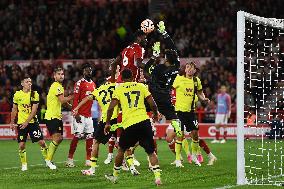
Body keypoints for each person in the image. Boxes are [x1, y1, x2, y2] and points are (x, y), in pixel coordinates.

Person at [104, 69, 162, 186]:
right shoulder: (141, 86)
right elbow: (152, 103)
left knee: (121, 149)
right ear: (132, 76)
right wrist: (155, 113)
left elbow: (110, 108)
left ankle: (114, 176)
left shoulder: (119, 89)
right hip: (144, 121)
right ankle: (157, 178)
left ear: (121, 77)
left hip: (130, 124)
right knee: (151, 152)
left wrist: (108, 123)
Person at [143, 21, 184, 167]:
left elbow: (146, 69)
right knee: (172, 116)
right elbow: (173, 49)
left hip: (154, 96)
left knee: (146, 116)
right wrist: (165, 33)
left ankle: (147, 129)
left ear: (166, 59)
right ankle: (176, 125)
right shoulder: (176, 66)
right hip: (166, 96)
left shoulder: (159, 69)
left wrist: (154, 56)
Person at [104, 30, 147, 165]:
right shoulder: (138, 48)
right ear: (139, 38)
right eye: (145, 37)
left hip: (119, 85)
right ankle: (126, 155)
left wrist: (112, 80)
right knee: (130, 118)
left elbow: (113, 64)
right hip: (129, 85)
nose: (146, 40)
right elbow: (139, 63)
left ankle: (123, 152)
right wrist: (152, 67)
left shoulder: (125, 49)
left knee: (121, 115)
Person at [173, 62, 217, 166]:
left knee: (195, 134)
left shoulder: (196, 81)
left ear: (194, 70)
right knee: (180, 135)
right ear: (185, 69)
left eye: (191, 68)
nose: (189, 69)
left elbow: (199, 92)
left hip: (191, 112)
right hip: (179, 111)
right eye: (187, 67)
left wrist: (203, 98)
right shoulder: (178, 79)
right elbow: (171, 90)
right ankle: (178, 159)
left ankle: (193, 155)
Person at [10, 76, 48, 171]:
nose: (29, 83)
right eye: (27, 82)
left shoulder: (34, 94)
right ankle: (24, 164)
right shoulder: (17, 95)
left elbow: (34, 110)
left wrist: (27, 122)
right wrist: (11, 122)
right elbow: (14, 109)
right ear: (22, 84)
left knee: (42, 143)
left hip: (32, 122)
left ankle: (48, 161)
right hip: (21, 123)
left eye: (30, 82)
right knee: (22, 145)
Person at [66, 63, 96, 167]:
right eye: (87, 70)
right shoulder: (79, 83)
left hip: (89, 115)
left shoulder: (93, 84)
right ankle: (70, 159)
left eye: (90, 70)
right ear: (83, 71)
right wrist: (76, 113)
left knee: (90, 137)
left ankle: (88, 160)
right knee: (77, 136)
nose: (89, 72)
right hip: (80, 114)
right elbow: (75, 98)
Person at [45, 67, 73, 170]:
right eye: (59, 74)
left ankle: (48, 158)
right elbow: (62, 100)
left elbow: (63, 102)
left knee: (58, 139)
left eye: (62, 74)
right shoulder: (56, 86)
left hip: (57, 117)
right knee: (58, 138)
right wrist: (73, 96)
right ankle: (48, 161)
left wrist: (73, 108)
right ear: (54, 76)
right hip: (52, 117)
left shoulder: (59, 87)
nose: (61, 76)